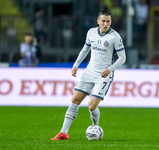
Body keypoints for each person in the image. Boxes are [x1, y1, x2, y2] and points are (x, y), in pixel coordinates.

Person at [51, 9, 126, 140]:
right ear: (98, 21)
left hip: (104, 75)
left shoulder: (115, 36)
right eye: (103, 21)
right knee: (75, 100)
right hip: (90, 71)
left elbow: (122, 58)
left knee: (91, 106)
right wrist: (76, 65)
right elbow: (85, 49)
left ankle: (95, 126)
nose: (105, 24)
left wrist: (110, 69)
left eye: (108, 21)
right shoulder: (91, 32)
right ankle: (63, 133)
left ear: (110, 22)